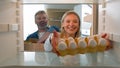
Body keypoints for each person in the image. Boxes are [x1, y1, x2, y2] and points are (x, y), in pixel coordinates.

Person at [43, 10, 112, 56]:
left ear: (79, 25)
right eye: (68, 21)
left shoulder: (82, 40)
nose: (71, 24)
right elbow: (47, 48)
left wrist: (101, 41)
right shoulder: (55, 37)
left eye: (75, 22)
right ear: (62, 24)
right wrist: (51, 39)